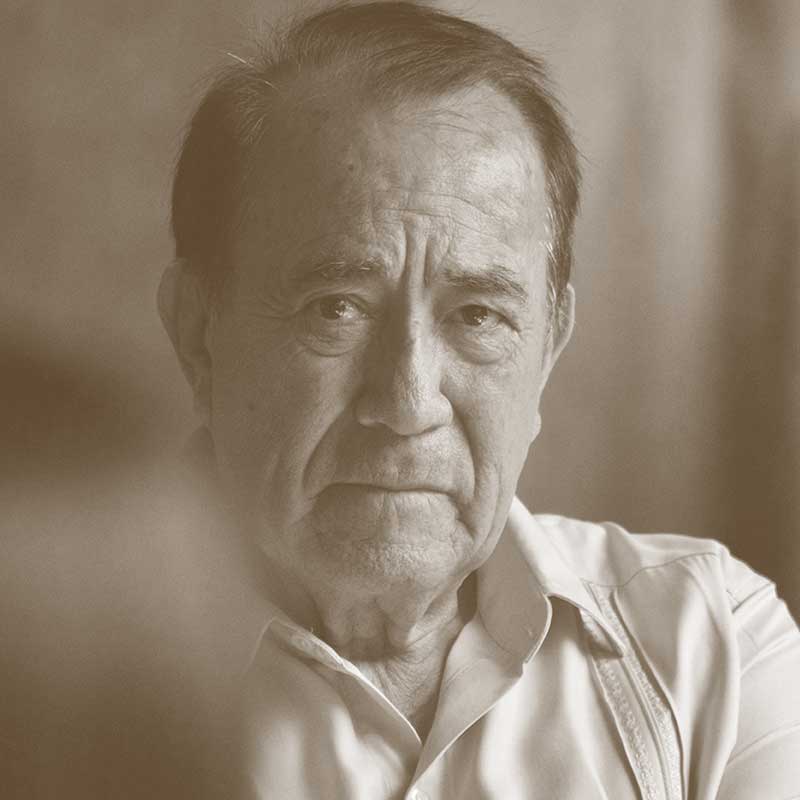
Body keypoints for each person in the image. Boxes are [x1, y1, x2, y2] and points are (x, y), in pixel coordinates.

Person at [153, 2, 800, 798]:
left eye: (478, 317)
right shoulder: (44, 683)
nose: (407, 403)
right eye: (337, 308)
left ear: (548, 348)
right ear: (197, 332)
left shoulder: (712, 651)